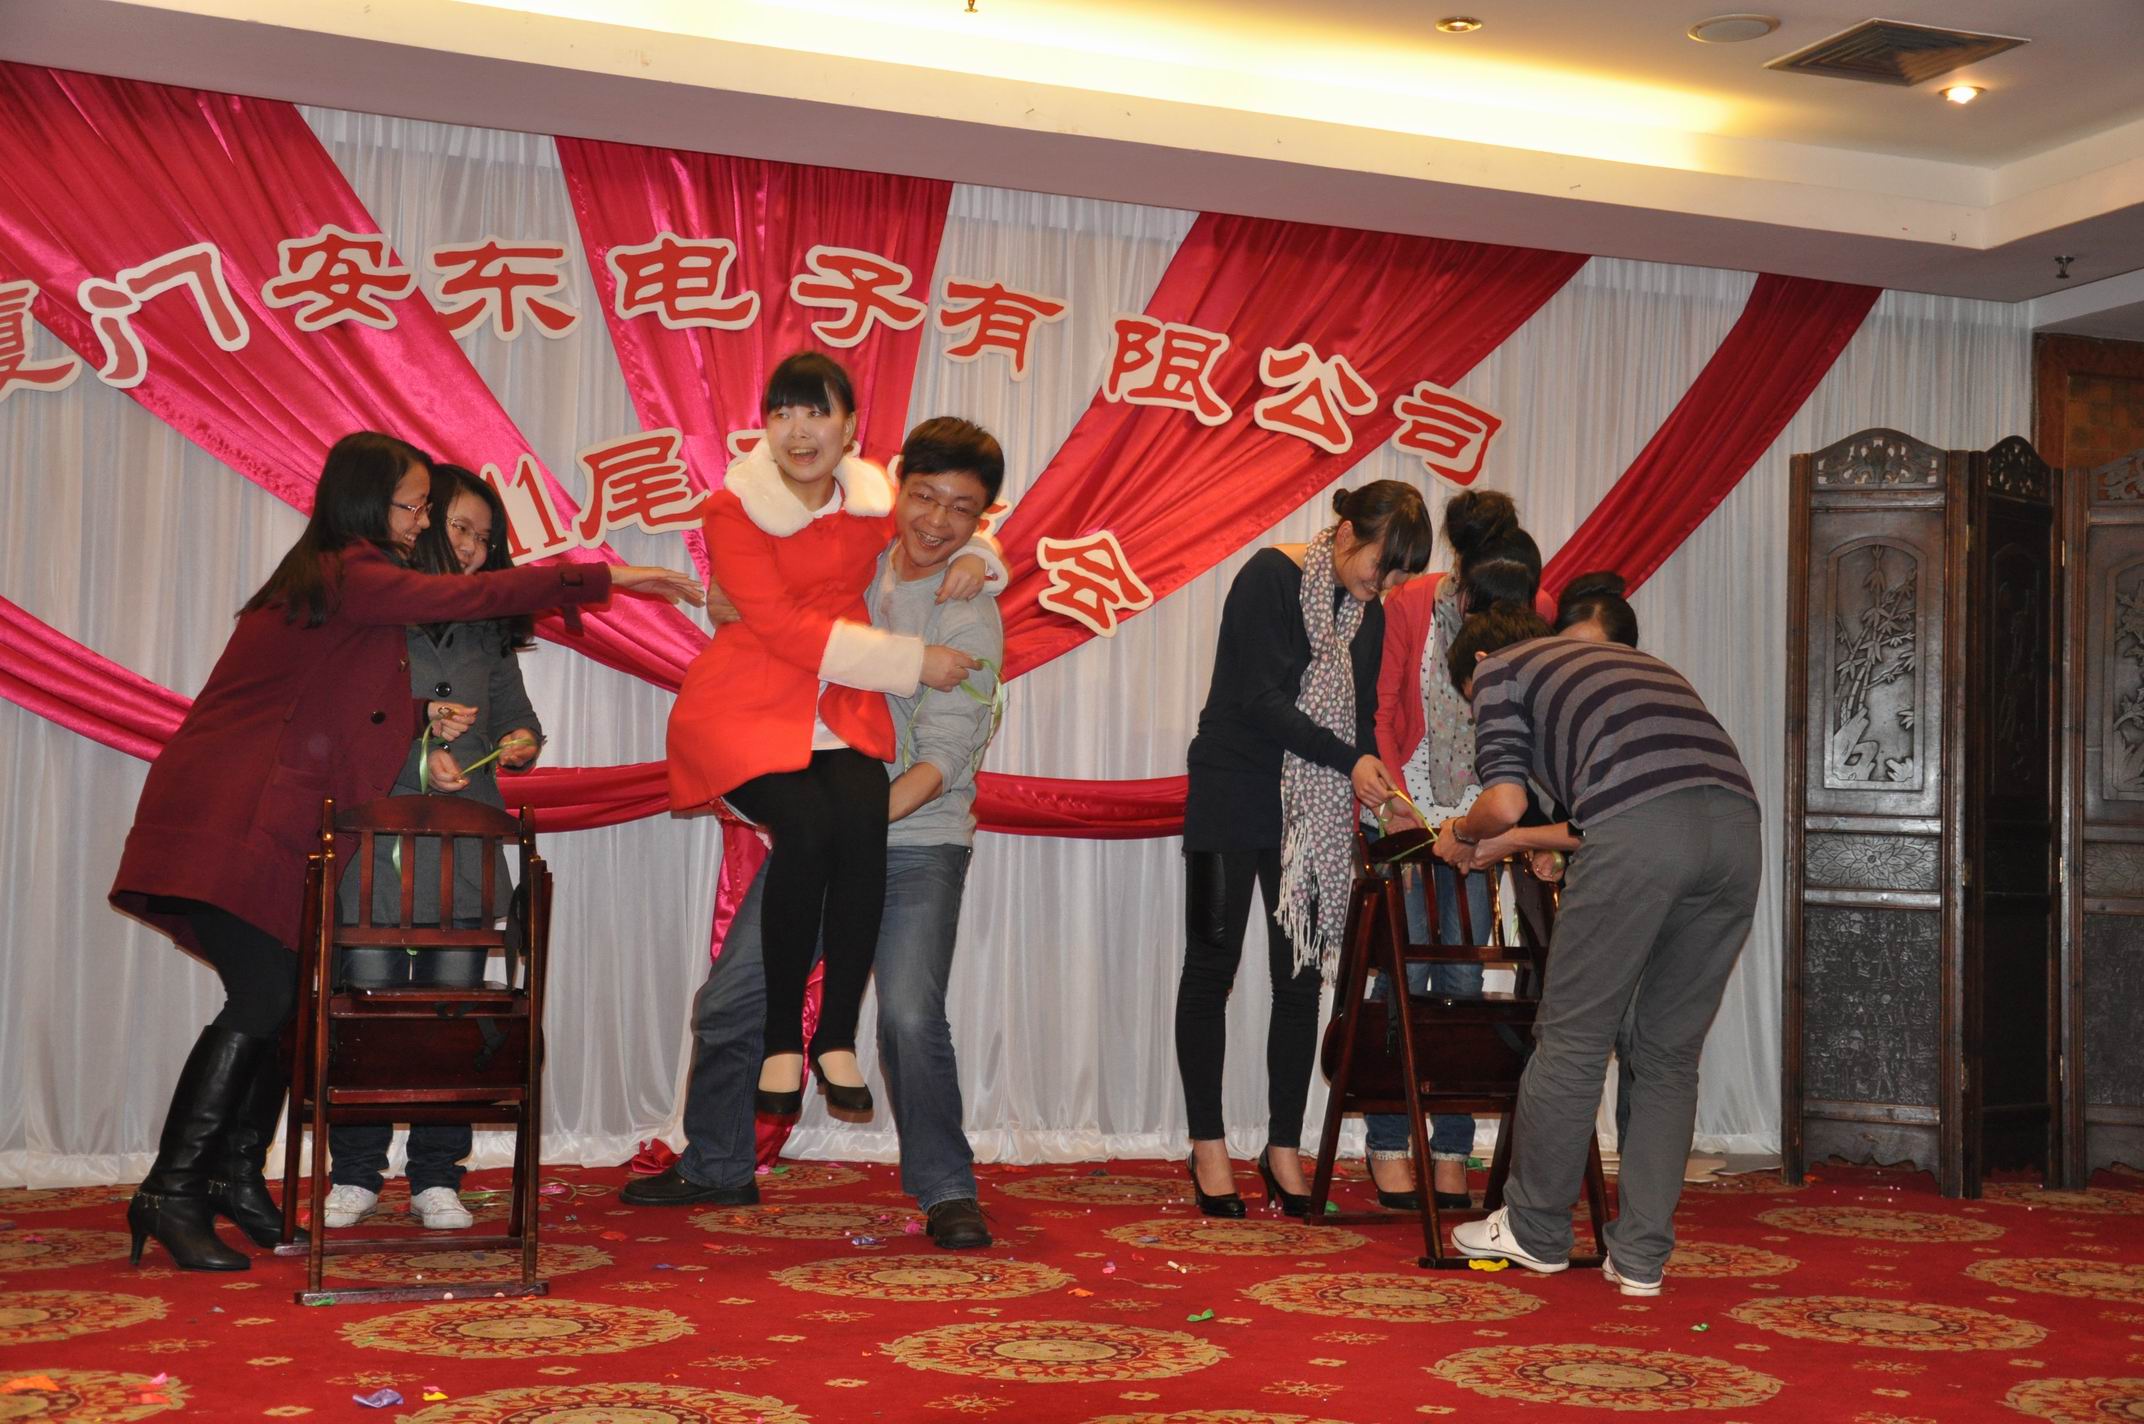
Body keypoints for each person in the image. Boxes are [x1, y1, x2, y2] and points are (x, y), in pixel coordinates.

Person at [109, 431, 703, 1271]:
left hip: (269, 816)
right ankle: (173, 1190)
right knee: (266, 997)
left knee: (283, 999)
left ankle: (232, 1177)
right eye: (416, 506)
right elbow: (469, 597)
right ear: (367, 500)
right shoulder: (346, 571)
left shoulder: (344, 583)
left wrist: (444, 727)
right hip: (235, 809)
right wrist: (606, 577)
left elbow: (377, 698)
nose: (423, 521)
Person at [626, 417, 1006, 1250]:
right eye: (926, 496)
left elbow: (945, 760)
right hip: (827, 833)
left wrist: (986, 561)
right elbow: (778, 609)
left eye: (963, 511)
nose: (938, 522)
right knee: (730, 1001)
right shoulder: (858, 561)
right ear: (896, 485)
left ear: (983, 516)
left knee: (909, 1016)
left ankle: (947, 1188)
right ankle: (718, 1162)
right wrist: (729, 602)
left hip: (917, 842)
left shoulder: (969, 612)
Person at [667, 353, 998, 1124]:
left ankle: (835, 1038)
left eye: (817, 412)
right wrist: (913, 663)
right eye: (782, 412)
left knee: (856, 815)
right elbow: (784, 628)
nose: (799, 429)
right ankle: (784, 1042)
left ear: (850, 427)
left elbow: (934, 527)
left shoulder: (871, 504)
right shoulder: (732, 511)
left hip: (839, 715)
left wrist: (984, 557)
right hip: (746, 708)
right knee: (816, 828)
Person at [1437, 593, 1760, 1298]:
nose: (1476, 712)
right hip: (1738, 834)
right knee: (1668, 1054)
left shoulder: (1498, 671)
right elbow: (1615, 807)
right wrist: (1521, 841)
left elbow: (1505, 803)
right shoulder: (1626, 665)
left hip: (1643, 832)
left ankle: (1535, 1229)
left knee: (1573, 1037)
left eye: (1468, 703)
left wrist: (1460, 834)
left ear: (1478, 663)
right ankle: (1640, 1257)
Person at [1178, 481, 1434, 1218]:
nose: (1385, 585)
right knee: (1212, 968)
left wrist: (1381, 788)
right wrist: (1349, 761)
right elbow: (1259, 700)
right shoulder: (1270, 576)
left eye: (1399, 576)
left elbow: (1362, 717)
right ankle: (1207, 1145)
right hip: (1233, 786)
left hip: (1313, 809)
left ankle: (1283, 1147)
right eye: (1382, 565)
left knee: (1299, 983)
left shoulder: (1369, 613)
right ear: (1347, 531)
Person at [322, 464, 547, 1233]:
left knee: (455, 1012)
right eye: (459, 528)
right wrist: (423, 735)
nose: (474, 547)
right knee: (368, 1010)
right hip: (378, 852)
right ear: (420, 527)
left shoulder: (488, 632)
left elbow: (519, 719)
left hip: (465, 847)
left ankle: (436, 1176)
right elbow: (346, 719)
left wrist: (520, 742)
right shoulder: (375, 617)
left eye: (486, 537)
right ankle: (355, 1173)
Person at [1366, 491, 1551, 1211]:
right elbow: (1383, 709)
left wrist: (1502, 827)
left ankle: (1450, 1148)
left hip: (1483, 819)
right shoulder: (1412, 604)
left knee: (1465, 980)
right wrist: (1396, 808)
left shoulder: (1529, 608)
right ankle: (1389, 1141)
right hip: (1409, 811)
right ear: (1462, 580)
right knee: (1405, 975)